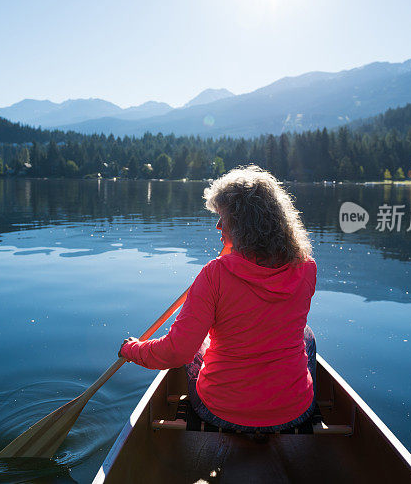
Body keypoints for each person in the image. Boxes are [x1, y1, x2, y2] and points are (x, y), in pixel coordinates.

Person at [119, 165, 317, 432]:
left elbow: (177, 351)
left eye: (224, 219)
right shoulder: (306, 268)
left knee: (197, 345)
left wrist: (132, 350)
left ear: (244, 225)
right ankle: (290, 401)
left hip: (222, 413)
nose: (218, 225)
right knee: (307, 336)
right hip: (294, 412)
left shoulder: (215, 274)